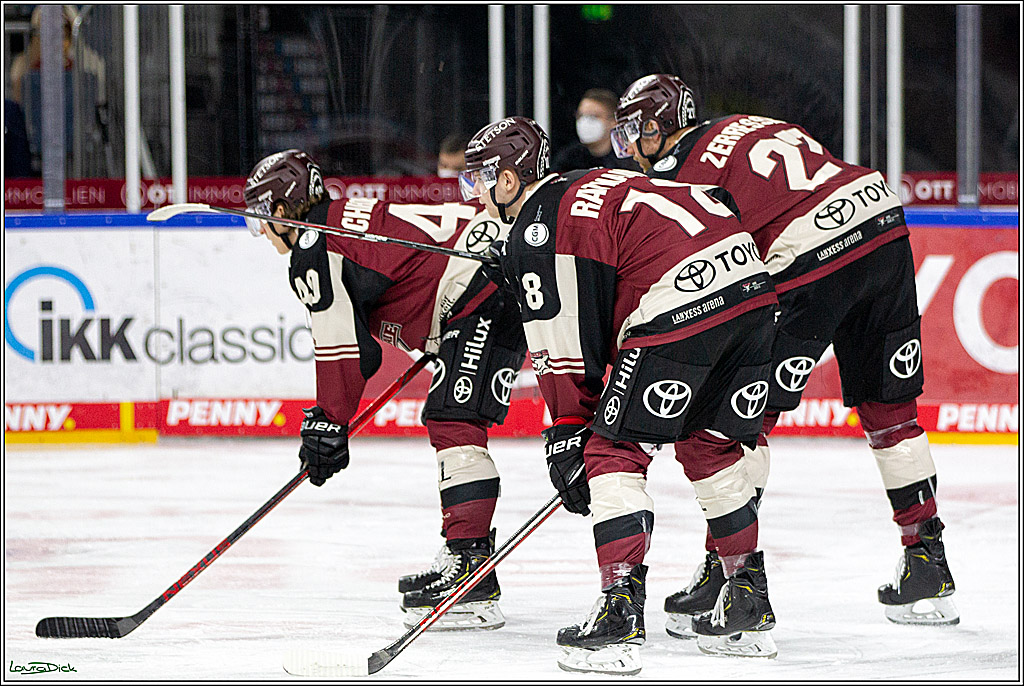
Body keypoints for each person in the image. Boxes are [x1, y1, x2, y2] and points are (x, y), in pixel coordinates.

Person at [612, 74, 958, 634]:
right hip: (881, 222)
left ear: (669, 124)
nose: (634, 147)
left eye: (640, 131)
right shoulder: (750, 123)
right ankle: (928, 562)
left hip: (811, 253)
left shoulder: (683, 173)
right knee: (890, 411)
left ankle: (728, 576)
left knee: (735, 425)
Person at [460, 117, 781, 673]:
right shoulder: (586, 181)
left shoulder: (536, 228)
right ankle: (747, 603)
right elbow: (711, 200)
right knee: (712, 448)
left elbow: (564, 354)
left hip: (682, 305)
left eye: (480, 181)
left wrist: (566, 433)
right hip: (754, 295)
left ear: (509, 181)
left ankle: (619, 613)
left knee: (611, 452)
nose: (477, 196)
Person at [244, 149, 527, 631]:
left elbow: (341, 352)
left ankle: (471, 573)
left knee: (453, 420)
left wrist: (327, 422)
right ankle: (469, 559)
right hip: (500, 276)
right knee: (452, 418)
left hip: (483, 289)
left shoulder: (315, 245)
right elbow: (367, 350)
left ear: (283, 210)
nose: (262, 233)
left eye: (261, 219)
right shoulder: (338, 220)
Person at [550, 88, 639, 173]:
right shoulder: (567, 160)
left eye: (593, 116)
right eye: (581, 116)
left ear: (613, 122)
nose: (585, 122)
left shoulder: (628, 162)